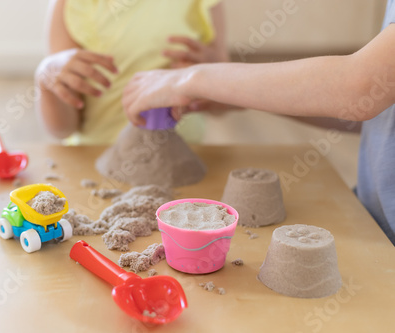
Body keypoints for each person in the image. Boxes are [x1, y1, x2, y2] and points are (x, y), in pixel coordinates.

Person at [122, 2, 395, 245]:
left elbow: (362, 87)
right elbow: (373, 107)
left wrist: (191, 78)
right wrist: (236, 93)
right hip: (374, 218)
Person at [35, 0, 229, 145]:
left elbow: (224, 105)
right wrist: (46, 81)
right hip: (95, 160)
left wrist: (213, 78)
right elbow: (61, 129)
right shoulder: (71, 5)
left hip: (186, 157)